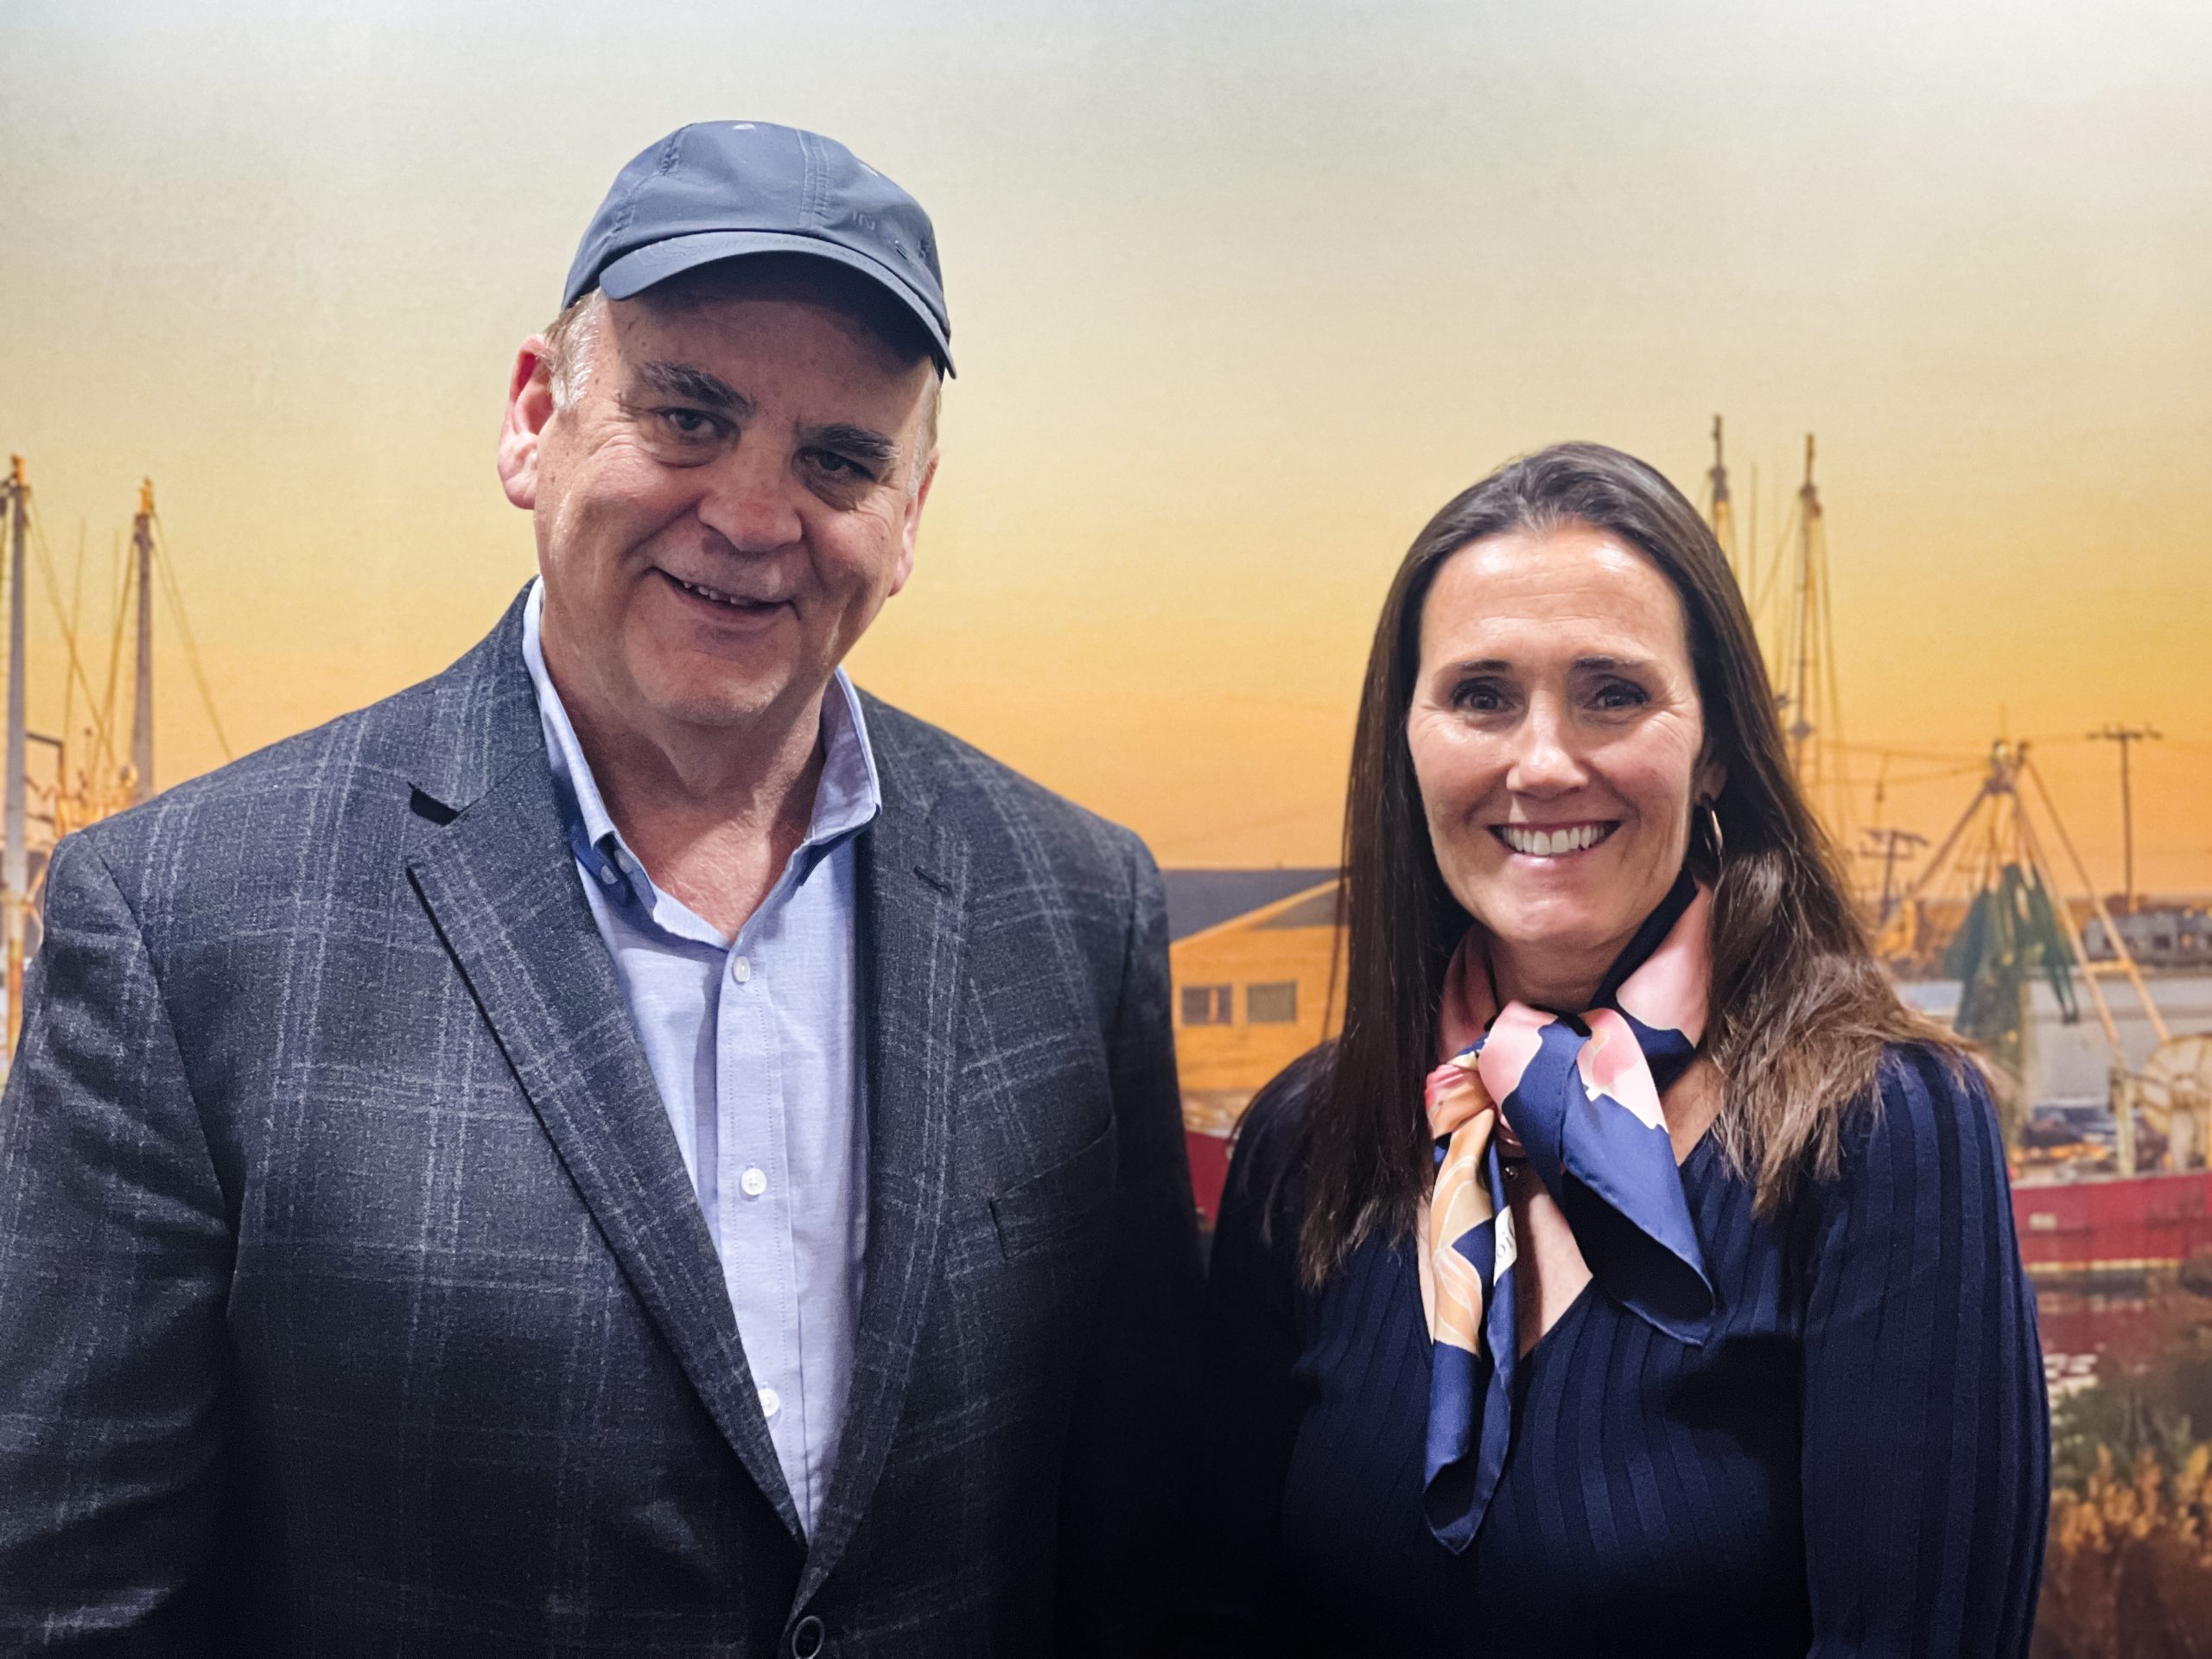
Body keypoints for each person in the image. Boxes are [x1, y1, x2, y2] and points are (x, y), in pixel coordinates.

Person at [0, 121, 1200, 1656]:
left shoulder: (1078, 907)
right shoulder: (183, 922)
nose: (754, 517)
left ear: (909, 516)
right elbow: (70, 1605)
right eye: (688, 416)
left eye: (839, 460)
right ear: (532, 419)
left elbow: (1144, 1545)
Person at [1179, 442, 2048, 1656]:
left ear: (1717, 748)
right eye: (1482, 696)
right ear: (1407, 744)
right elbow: (1223, 1616)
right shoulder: (1304, 1142)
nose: (1542, 763)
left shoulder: (1881, 1132)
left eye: (1613, 694)